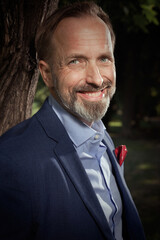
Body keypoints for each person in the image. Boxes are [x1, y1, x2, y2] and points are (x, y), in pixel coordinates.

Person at [0, 2, 146, 240]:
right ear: (46, 73)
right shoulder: (9, 161)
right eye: (75, 61)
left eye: (104, 59)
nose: (97, 79)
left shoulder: (101, 135)